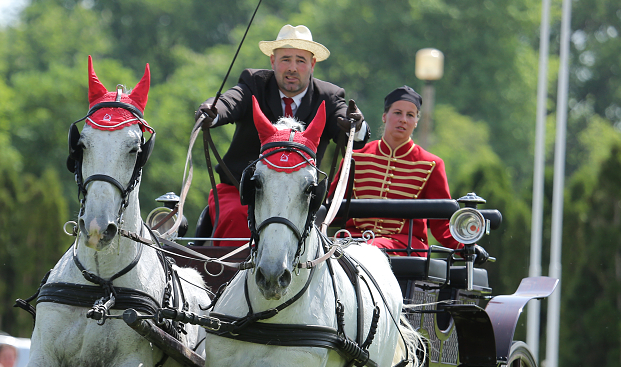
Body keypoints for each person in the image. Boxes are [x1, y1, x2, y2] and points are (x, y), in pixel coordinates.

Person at [196, 24, 369, 245]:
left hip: (301, 197)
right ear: (272, 61)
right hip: (242, 190)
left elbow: (351, 130)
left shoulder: (330, 96)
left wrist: (357, 123)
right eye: (285, 59)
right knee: (237, 218)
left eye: (300, 60)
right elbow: (229, 102)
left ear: (312, 64)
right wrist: (212, 111)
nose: (292, 68)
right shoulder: (253, 83)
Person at [328, 86, 471, 255]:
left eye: (410, 115)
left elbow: (441, 225)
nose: (403, 119)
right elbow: (330, 210)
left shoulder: (431, 164)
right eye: (397, 113)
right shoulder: (355, 159)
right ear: (384, 116)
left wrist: (466, 249)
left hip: (405, 247)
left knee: (370, 250)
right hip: (352, 242)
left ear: (416, 122)